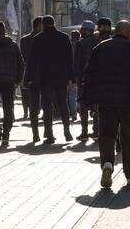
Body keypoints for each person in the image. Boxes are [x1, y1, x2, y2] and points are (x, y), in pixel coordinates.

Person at [82, 20, 130, 189]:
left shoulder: (100, 47)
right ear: (127, 33)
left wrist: (89, 99)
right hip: (129, 101)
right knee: (129, 137)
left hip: (106, 100)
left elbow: (89, 74)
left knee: (107, 135)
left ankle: (107, 164)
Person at [24, 15, 74, 143]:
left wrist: (28, 77)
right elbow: (70, 59)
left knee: (47, 106)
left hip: (45, 78)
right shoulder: (64, 37)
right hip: (61, 77)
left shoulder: (38, 39)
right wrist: (72, 77)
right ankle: (67, 131)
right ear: (54, 23)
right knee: (63, 104)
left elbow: (33, 60)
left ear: (43, 25)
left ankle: (50, 135)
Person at [72, 21, 100, 139]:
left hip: (83, 79)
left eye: (83, 29)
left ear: (87, 30)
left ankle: (84, 132)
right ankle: (96, 131)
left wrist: (74, 78)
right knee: (96, 106)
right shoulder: (99, 42)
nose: (81, 31)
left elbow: (76, 63)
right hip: (97, 79)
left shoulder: (80, 44)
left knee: (83, 106)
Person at [19, 16, 44, 128]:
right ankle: (38, 111)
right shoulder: (43, 38)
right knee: (43, 94)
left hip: (29, 70)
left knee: (29, 93)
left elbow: (23, 56)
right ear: (39, 25)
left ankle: (30, 112)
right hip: (42, 71)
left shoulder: (24, 39)